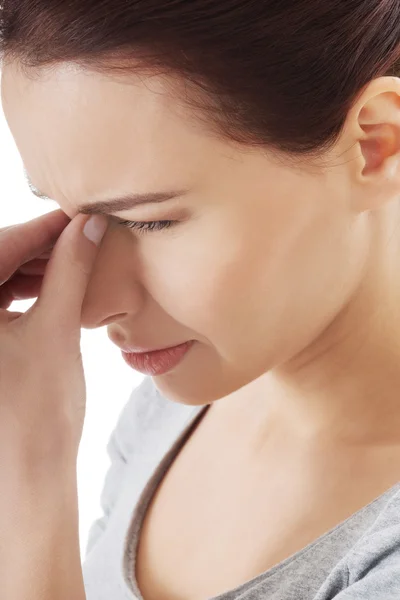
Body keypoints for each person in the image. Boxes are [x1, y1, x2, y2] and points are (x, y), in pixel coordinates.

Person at [1, 0, 400, 599]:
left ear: (373, 147)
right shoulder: (167, 407)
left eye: (152, 221)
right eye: (69, 212)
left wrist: (29, 479)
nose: (86, 306)